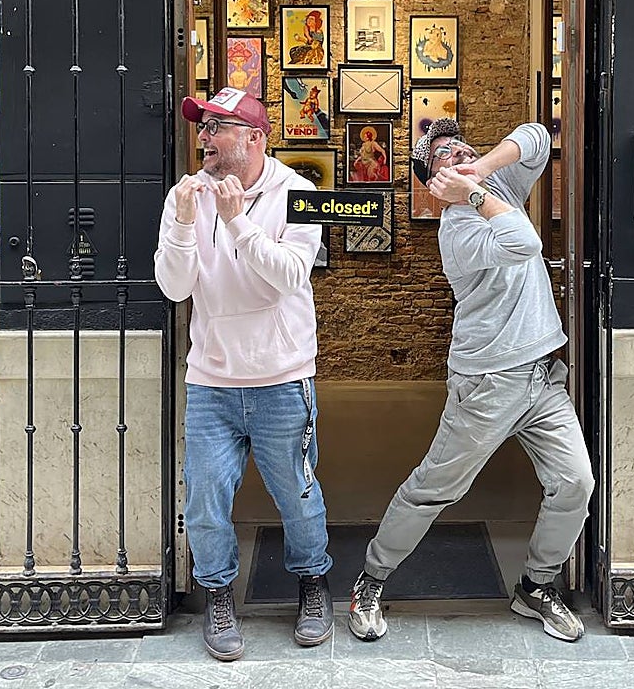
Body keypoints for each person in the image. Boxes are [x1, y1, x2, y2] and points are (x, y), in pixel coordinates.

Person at [346, 117, 595, 643]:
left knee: (575, 482)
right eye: (440, 155)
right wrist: (473, 189)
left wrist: (478, 170)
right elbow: (524, 242)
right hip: (487, 382)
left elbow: (537, 136)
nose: (455, 151)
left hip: (542, 376)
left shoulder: (495, 183)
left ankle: (537, 585)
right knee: (434, 490)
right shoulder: (457, 230)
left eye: (460, 144)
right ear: (434, 184)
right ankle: (371, 579)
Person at [154, 87, 333, 661]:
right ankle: (218, 596)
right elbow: (174, 287)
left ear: (255, 138)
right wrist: (185, 225)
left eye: (217, 128)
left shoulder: (299, 193)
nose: (204, 137)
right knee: (205, 498)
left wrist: (236, 224)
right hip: (211, 379)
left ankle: (312, 583)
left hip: (282, 376)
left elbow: (288, 276)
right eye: (203, 126)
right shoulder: (184, 197)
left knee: (298, 495)